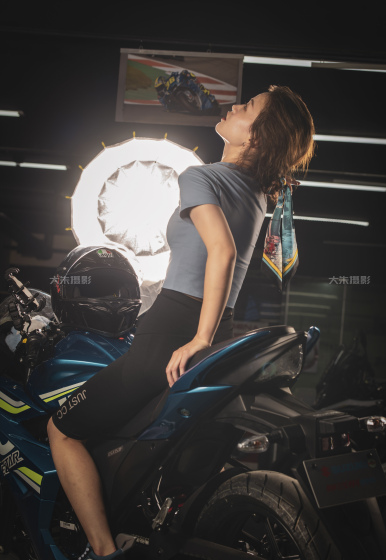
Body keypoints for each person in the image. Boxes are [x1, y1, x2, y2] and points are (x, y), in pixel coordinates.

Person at [47, 85, 315, 559]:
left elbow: (222, 252)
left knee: (61, 430)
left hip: (173, 333)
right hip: (213, 326)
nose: (234, 106)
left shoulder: (200, 176)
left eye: (248, 107)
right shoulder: (257, 194)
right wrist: (205, 334)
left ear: (255, 137)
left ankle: (104, 551)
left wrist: (198, 337)